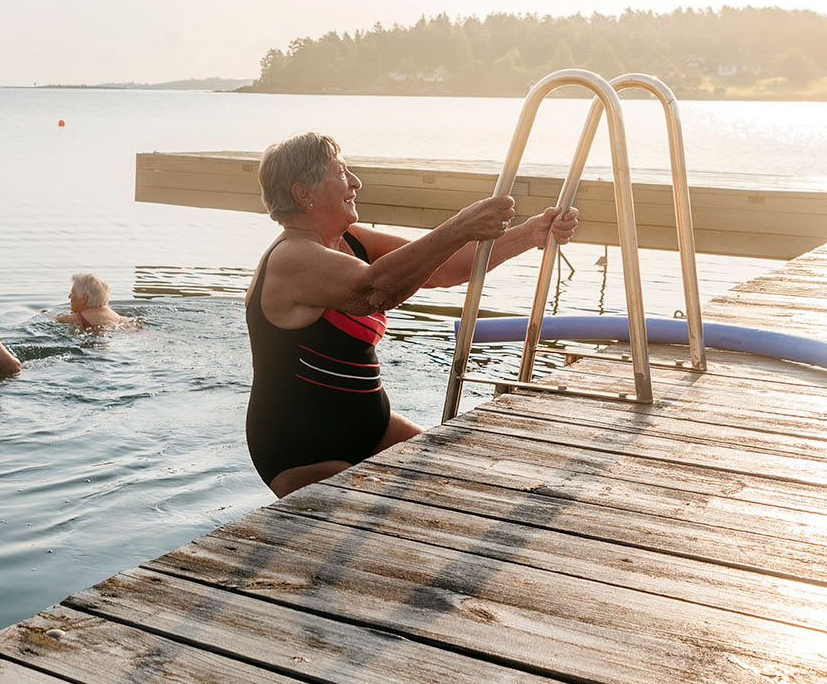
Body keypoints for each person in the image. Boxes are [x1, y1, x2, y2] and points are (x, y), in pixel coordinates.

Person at [246, 132, 578, 497]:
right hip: (303, 452)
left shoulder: (350, 240)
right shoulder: (291, 257)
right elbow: (376, 291)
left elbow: (446, 268)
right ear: (303, 194)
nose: (355, 183)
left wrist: (532, 233)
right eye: (340, 172)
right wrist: (461, 225)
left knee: (471, 483)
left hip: (374, 429)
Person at [54, 272, 133, 330]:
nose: (69, 296)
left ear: (84, 298)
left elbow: (54, 318)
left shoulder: (76, 318)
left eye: (72, 293)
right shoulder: (120, 318)